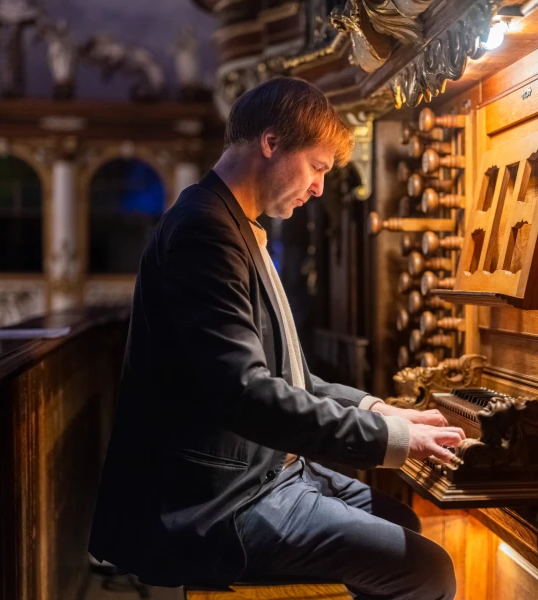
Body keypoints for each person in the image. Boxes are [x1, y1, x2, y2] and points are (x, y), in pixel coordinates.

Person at [88, 77, 464, 600]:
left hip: (264, 473)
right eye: (317, 168)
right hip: (215, 502)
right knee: (426, 570)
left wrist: (383, 412)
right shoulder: (204, 229)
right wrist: (390, 444)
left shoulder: (235, 223)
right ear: (271, 143)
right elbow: (243, 392)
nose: (318, 188)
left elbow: (294, 378)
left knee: (404, 523)